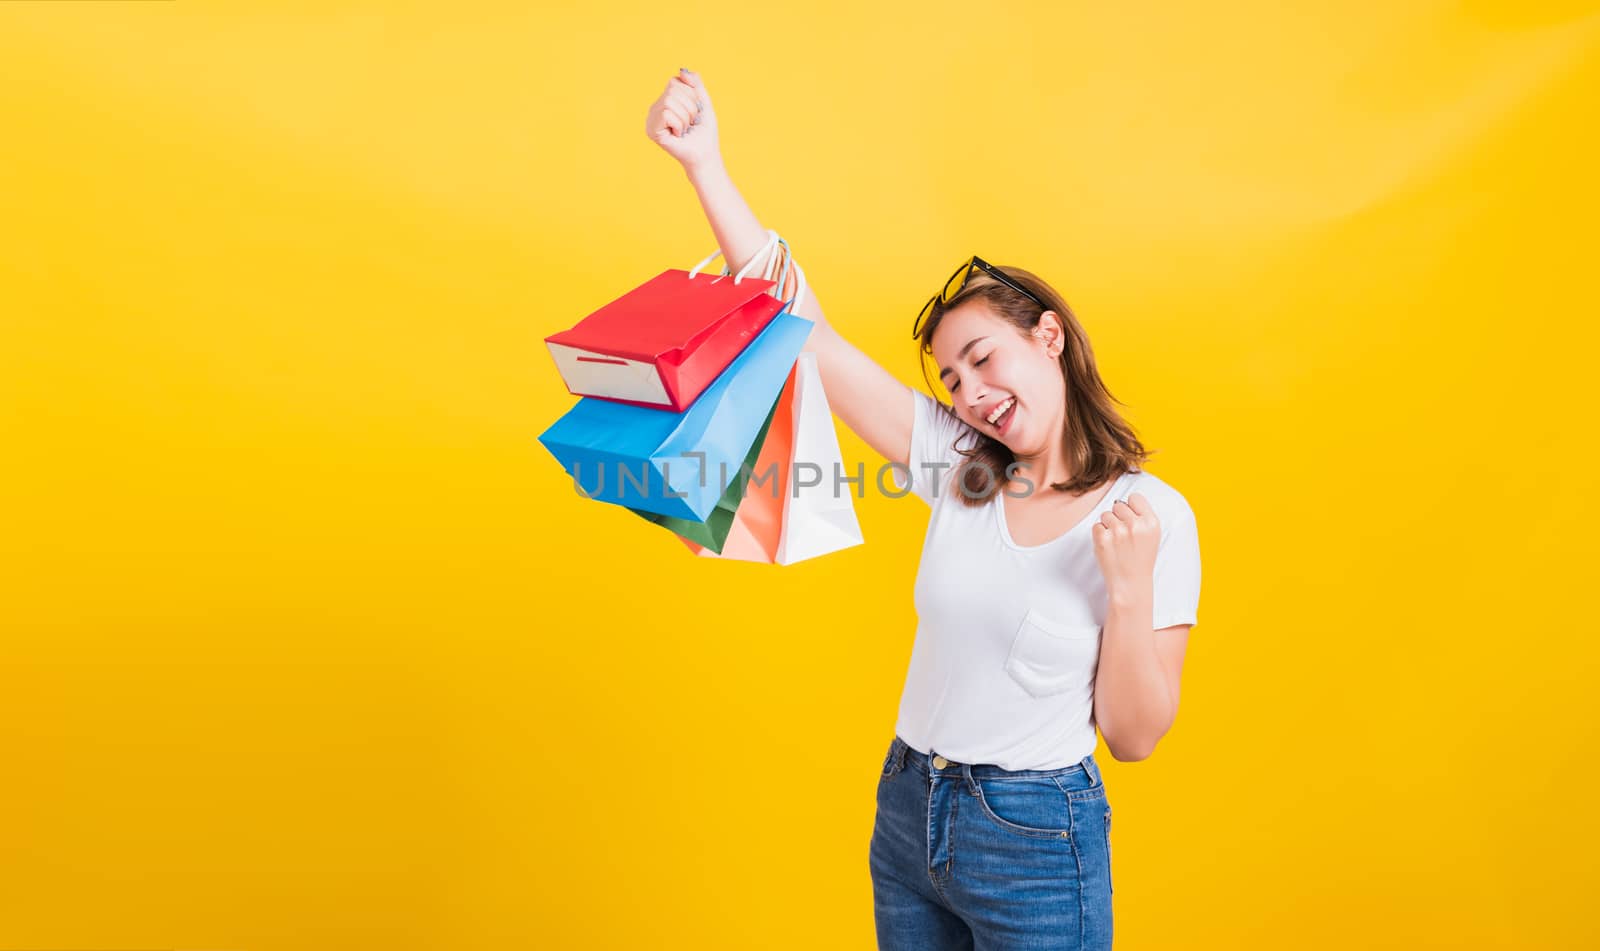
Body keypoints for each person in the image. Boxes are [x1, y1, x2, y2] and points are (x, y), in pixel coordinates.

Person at [645, 68, 1203, 951]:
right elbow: (800, 329)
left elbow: (1133, 736)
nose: (972, 394)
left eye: (983, 359)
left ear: (1048, 336)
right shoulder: (968, 473)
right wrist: (705, 165)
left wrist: (1129, 591)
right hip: (911, 809)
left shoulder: (1151, 514)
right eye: (951, 380)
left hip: (1035, 839)